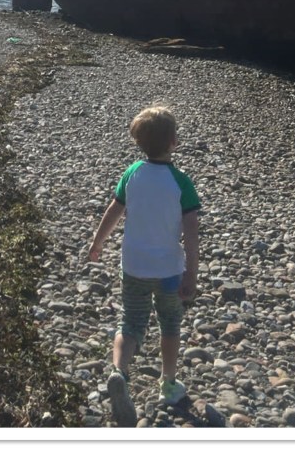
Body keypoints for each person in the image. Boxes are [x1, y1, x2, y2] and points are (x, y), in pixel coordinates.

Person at [87, 103, 201, 427]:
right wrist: (191, 275)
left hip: (133, 266)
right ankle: (167, 384)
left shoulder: (132, 173)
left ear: (140, 143)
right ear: (173, 143)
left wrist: (97, 243)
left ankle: (119, 371)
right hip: (168, 271)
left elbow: (113, 211)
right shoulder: (181, 183)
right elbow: (191, 237)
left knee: (132, 322)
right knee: (169, 323)